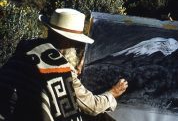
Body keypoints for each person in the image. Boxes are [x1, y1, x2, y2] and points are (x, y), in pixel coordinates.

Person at [0, 8, 128, 121]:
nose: (77, 46)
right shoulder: (59, 69)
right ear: (66, 41)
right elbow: (91, 106)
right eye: (76, 42)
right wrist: (112, 94)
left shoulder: (27, 48)